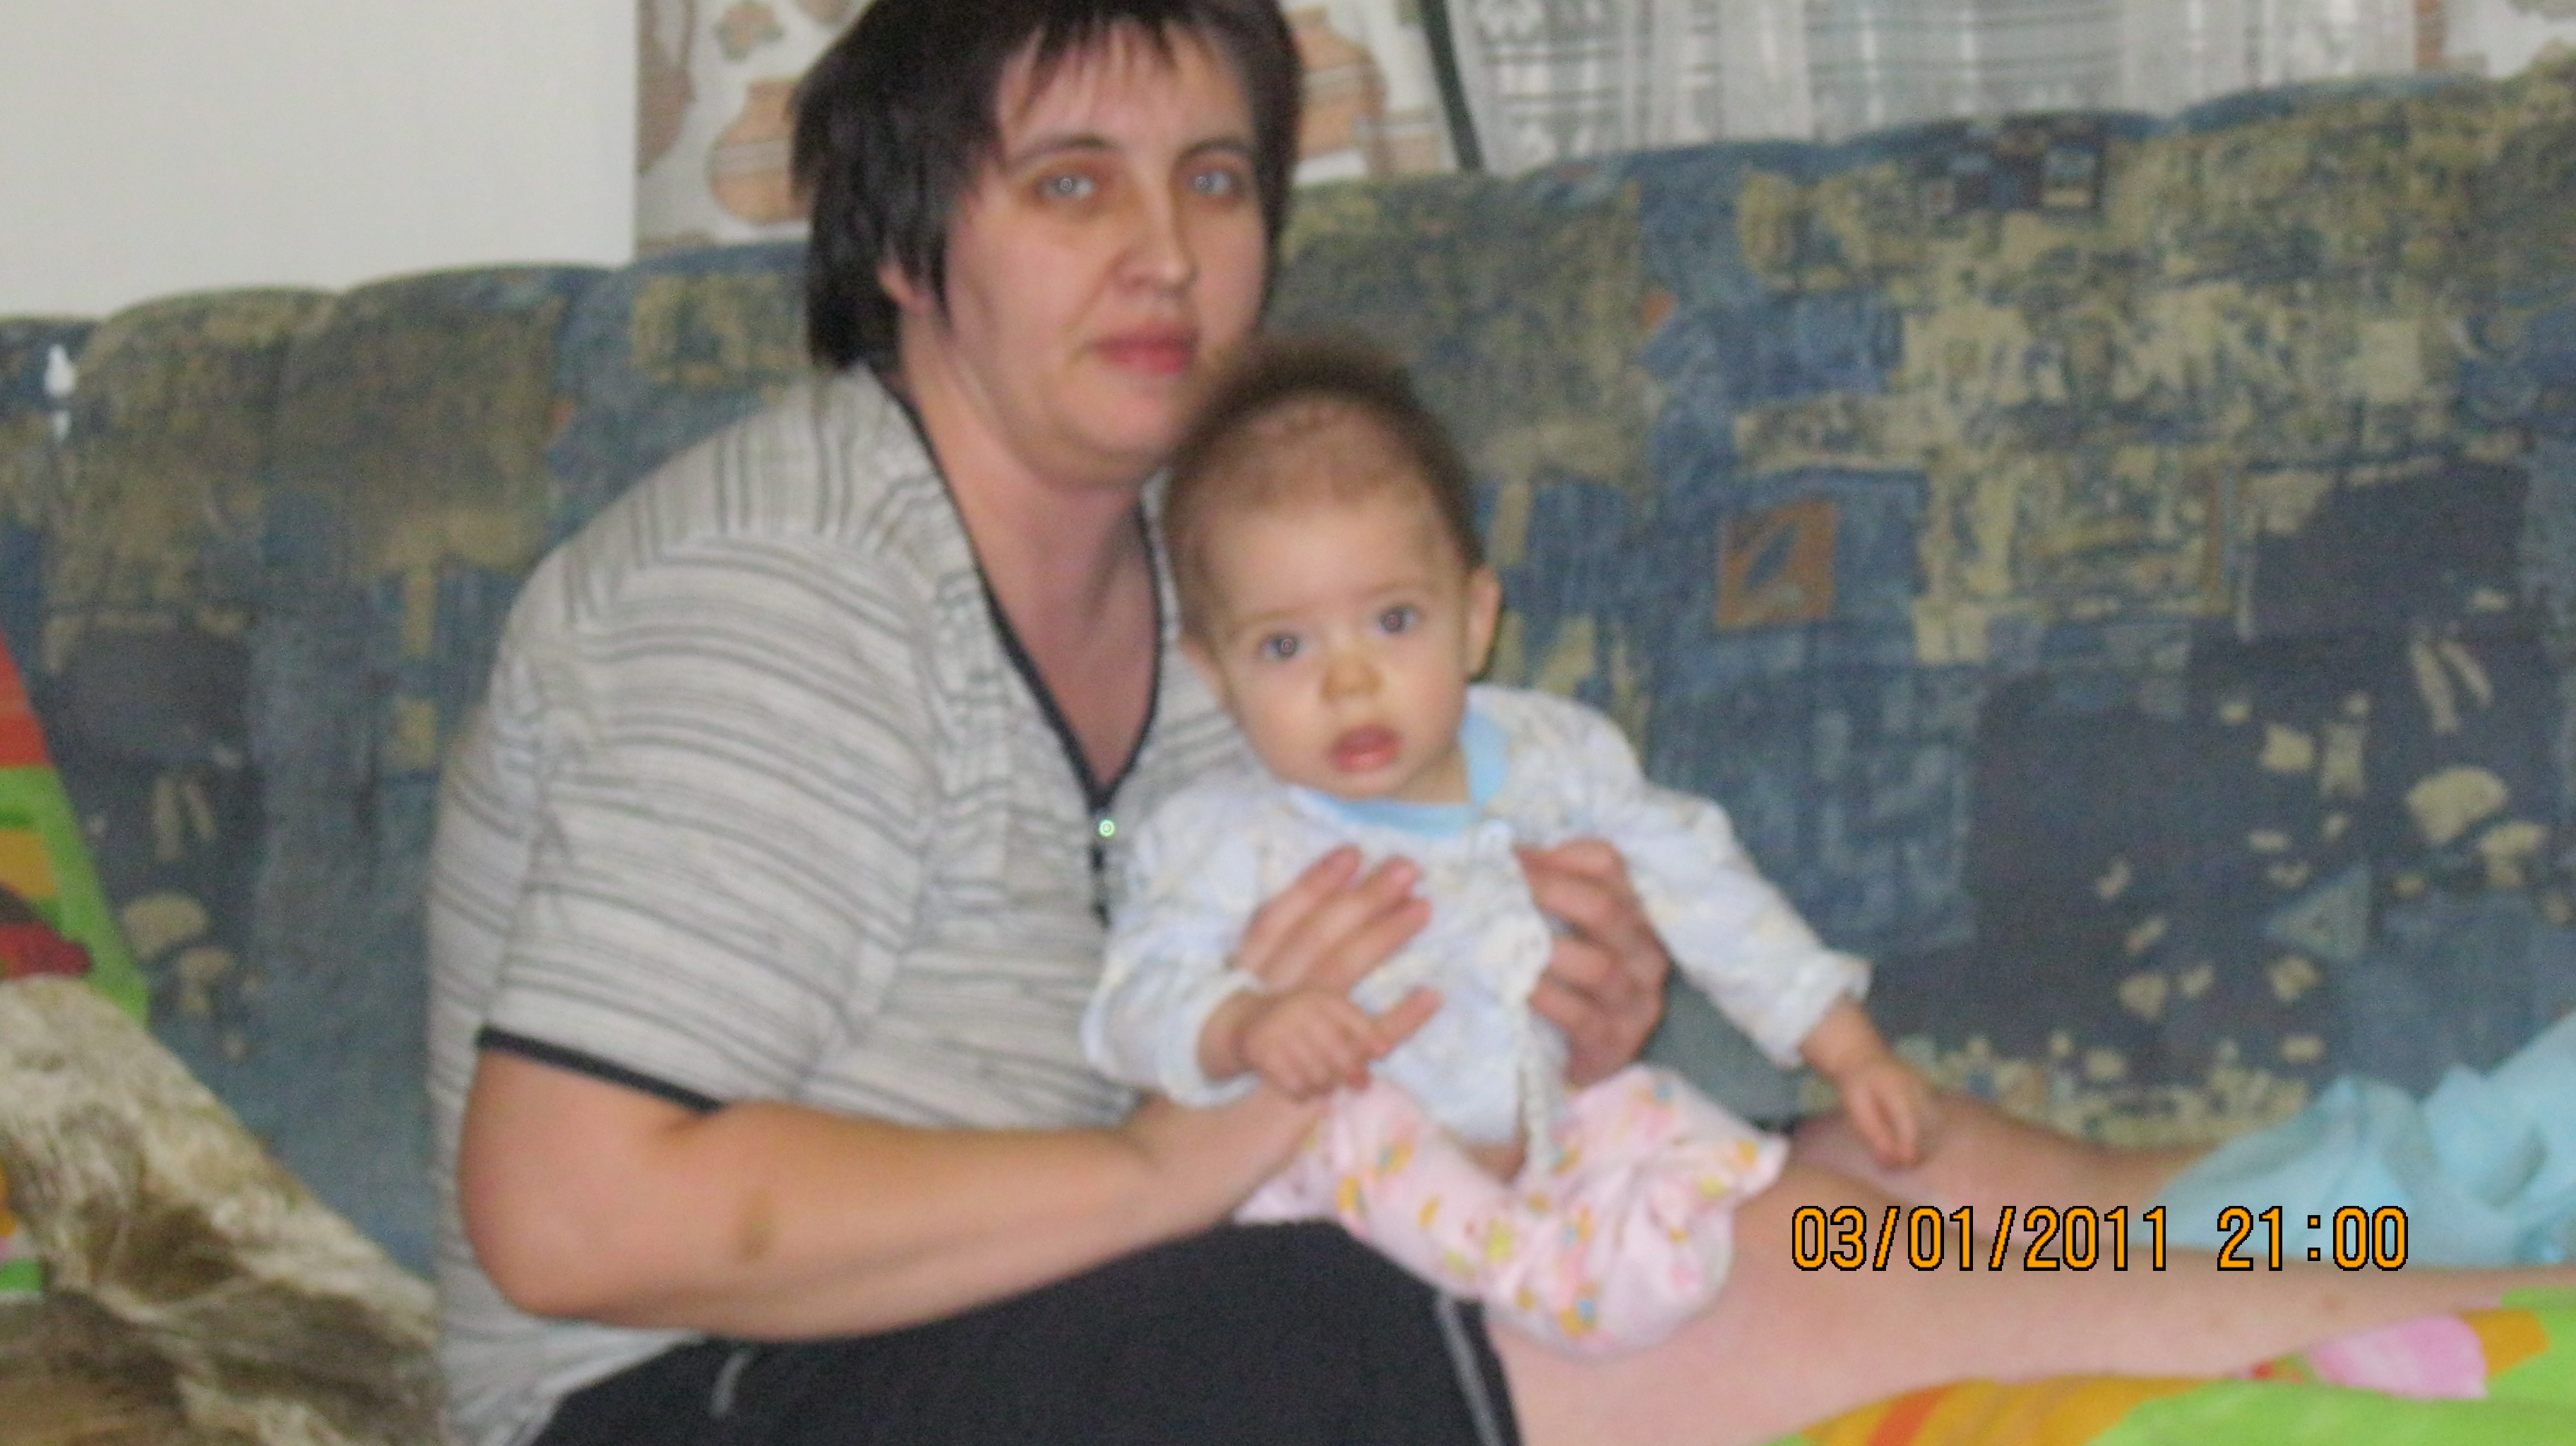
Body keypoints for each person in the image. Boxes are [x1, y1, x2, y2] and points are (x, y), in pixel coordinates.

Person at [429, 2, 2576, 1444]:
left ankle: (2375, 1212)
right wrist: (1165, 1161)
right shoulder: (783, 599)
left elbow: (1336, 996)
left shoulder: (1220, 578)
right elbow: (578, 1217)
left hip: (1139, 1244)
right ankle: (2448, 1353)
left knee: (1868, 1164)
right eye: (1071, 183)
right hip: (706, 1390)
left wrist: (1573, 1014)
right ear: (907, 245)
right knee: (1684, 1270)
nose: (1167, 253)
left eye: (1215, 179)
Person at [1082, 335, 1934, 1356]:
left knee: (1665, 1115)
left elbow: (1706, 887)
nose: (1348, 682)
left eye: (1393, 620)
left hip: (1541, 1126)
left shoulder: (1556, 760)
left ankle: (1988, 1256)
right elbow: (1130, 1005)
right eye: (1285, 645)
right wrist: (1241, 1024)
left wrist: (1849, 1050)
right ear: (1215, 673)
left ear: (1475, 618)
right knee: (1358, 1124)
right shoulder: (1220, 835)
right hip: (1329, 1191)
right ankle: (1552, 1285)